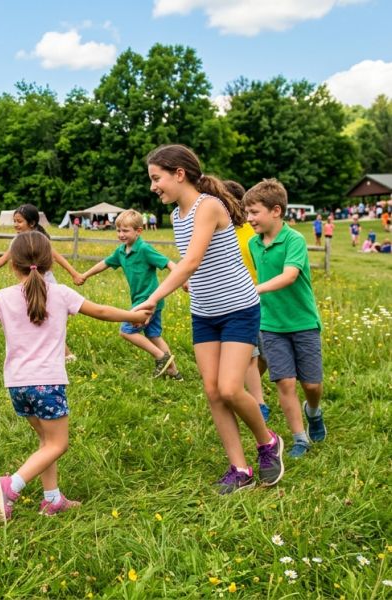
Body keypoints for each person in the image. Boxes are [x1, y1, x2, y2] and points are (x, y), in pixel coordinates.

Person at [0, 232, 151, 521]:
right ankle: (10, 485)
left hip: (17, 386)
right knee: (57, 444)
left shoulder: (3, 297)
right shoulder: (61, 294)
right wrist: (134, 316)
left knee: (46, 443)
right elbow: (99, 311)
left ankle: (52, 499)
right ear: (51, 263)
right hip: (47, 384)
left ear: (13, 264)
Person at [135, 144, 284, 495]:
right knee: (214, 392)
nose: (153, 186)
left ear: (179, 174)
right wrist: (189, 282)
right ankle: (240, 468)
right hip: (204, 312)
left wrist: (154, 298)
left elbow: (191, 261)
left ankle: (267, 442)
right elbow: (193, 263)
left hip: (237, 308)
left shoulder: (209, 206)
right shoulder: (177, 216)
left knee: (232, 388)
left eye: (157, 178)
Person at [244, 179, 327, 459]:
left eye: (254, 212)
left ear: (276, 211)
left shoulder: (294, 240)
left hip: (303, 323)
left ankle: (313, 411)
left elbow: (289, 276)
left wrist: (256, 288)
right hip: (271, 325)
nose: (249, 218)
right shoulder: (255, 244)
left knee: (312, 385)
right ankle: (299, 438)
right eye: (247, 212)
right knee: (285, 383)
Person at [79, 209, 182, 379]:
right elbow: (104, 263)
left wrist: (183, 279)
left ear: (138, 231)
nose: (121, 234)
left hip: (148, 300)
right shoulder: (121, 252)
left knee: (126, 331)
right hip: (142, 299)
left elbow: (168, 263)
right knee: (154, 335)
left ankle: (160, 357)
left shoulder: (144, 249)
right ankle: (174, 373)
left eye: (125, 230)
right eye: (118, 230)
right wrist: (85, 275)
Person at [0, 203, 84, 360]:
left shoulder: (40, 240)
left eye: (19, 221)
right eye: (14, 221)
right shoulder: (17, 241)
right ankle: (51, 353)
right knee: (37, 320)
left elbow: (57, 257)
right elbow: (3, 259)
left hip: (45, 285)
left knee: (48, 321)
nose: (15, 225)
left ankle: (67, 355)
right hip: (29, 285)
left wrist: (74, 274)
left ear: (31, 223)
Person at [223, 180, 269, 422]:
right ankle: (256, 401)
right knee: (251, 354)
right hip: (238, 301)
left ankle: (246, 389)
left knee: (266, 356)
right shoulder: (219, 231)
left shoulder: (253, 231)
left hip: (265, 298)